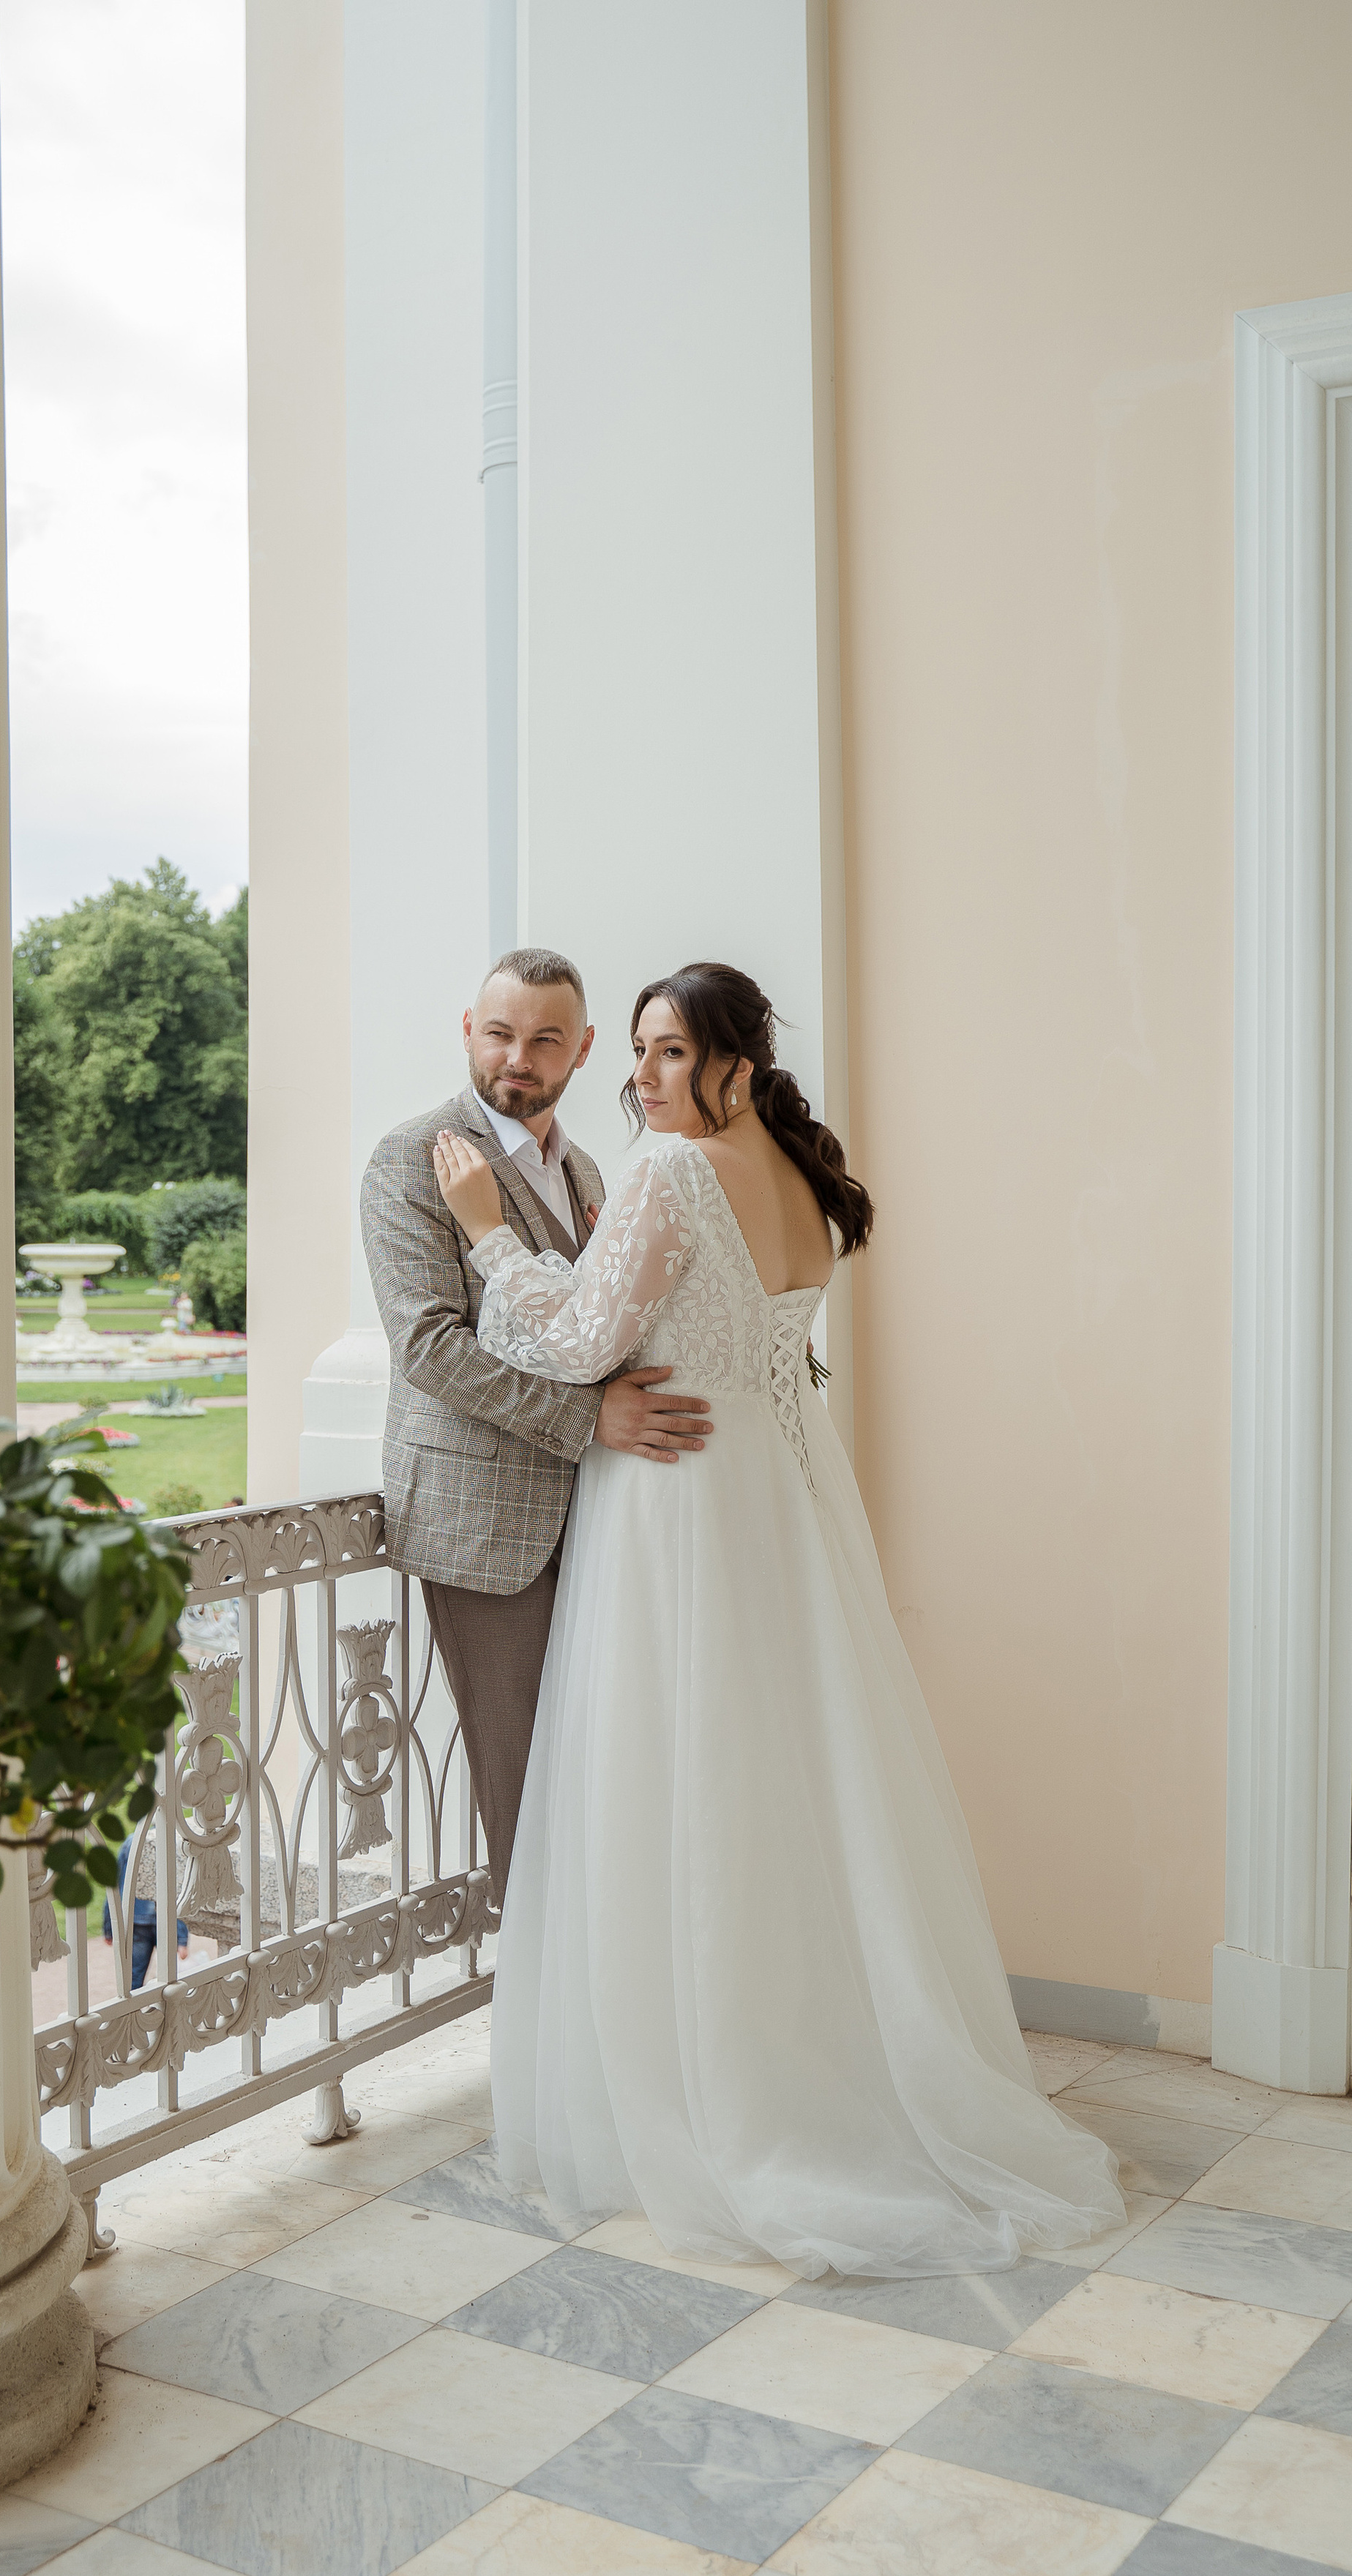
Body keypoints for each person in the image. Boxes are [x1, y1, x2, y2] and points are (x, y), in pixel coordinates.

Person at [431, 960, 1123, 2279]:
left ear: (738, 1063)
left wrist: (485, 1229)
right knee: (787, 1782)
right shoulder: (805, 1178)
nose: (643, 1079)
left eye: (671, 1053)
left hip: (680, 1503)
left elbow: (579, 1340)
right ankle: (799, 2062)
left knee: (683, 1784)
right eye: (636, 1051)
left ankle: (711, 2100)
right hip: (786, 1500)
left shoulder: (676, 1173)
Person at [362, 949, 713, 1910]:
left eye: (546, 1039)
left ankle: (604, 2003)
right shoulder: (410, 1160)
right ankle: (543, 2041)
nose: (520, 1056)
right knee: (523, 1794)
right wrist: (592, 1415)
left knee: (605, 1776)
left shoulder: (592, 1169)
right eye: (501, 1032)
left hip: (602, 1516)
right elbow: (429, 1348)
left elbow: (585, 1327)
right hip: (485, 1527)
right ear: (468, 1031)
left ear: (585, 1050)